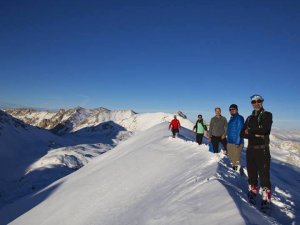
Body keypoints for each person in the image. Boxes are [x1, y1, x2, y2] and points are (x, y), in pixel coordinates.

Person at [240, 94, 273, 209]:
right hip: (250, 150)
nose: (256, 103)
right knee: (252, 173)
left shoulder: (267, 115)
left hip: (262, 150)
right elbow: (242, 133)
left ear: (262, 102)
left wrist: (250, 132)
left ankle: (266, 198)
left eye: (258, 101)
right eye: (253, 102)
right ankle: (253, 192)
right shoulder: (249, 118)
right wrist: (256, 133)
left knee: (264, 175)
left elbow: (265, 130)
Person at [227, 104, 244, 171]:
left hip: (236, 143)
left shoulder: (239, 118)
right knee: (232, 159)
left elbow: (240, 130)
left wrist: (237, 143)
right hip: (230, 142)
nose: (232, 110)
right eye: (230, 109)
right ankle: (234, 171)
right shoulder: (232, 118)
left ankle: (237, 174)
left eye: (233, 109)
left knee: (236, 161)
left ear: (237, 109)